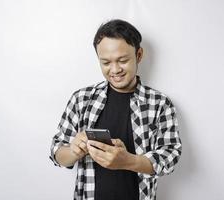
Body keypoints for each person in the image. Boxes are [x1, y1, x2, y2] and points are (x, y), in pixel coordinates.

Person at [49, 19, 182, 200]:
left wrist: (129, 161)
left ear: (139, 55)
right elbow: (57, 153)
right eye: (106, 62)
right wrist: (73, 151)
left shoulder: (160, 104)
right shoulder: (81, 99)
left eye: (123, 60)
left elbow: (170, 155)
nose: (115, 69)